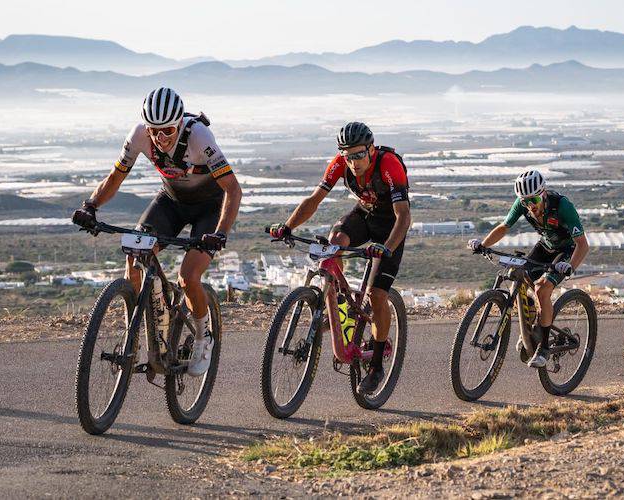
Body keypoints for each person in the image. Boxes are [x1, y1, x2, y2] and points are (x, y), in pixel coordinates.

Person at [72, 87, 242, 376]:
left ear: (179, 123)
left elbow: (233, 190)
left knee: (188, 278)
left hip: (209, 209)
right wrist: (91, 205)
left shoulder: (199, 136)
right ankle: (135, 331)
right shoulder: (138, 135)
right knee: (136, 257)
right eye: (155, 132)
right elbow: (116, 177)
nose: (160, 139)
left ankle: (203, 336)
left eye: (168, 131)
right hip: (171, 202)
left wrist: (221, 232)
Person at [268, 122, 411, 394]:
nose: (353, 162)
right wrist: (288, 226)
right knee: (334, 245)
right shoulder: (340, 163)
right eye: (348, 156)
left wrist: (387, 247)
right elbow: (315, 198)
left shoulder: (388, 164)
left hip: (391, 227)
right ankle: (340, 308)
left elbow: (403, 216)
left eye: (358, 154)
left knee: (377, 295)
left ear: (370, 149)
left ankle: (378, 364)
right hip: (365, 216)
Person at [468, 170, 589, 368]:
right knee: (520, 275)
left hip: (568, 250)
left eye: (533, 199)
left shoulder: (563, 206)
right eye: (525, 201)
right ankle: (532, 327)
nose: (530, 205)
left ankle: (543, 348)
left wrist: (570, 267)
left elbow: (583, 244)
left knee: (542, 289)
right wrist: (483, 244)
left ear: (543, 193)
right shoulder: (522, 204)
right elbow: (504, 227)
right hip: (546, 245)